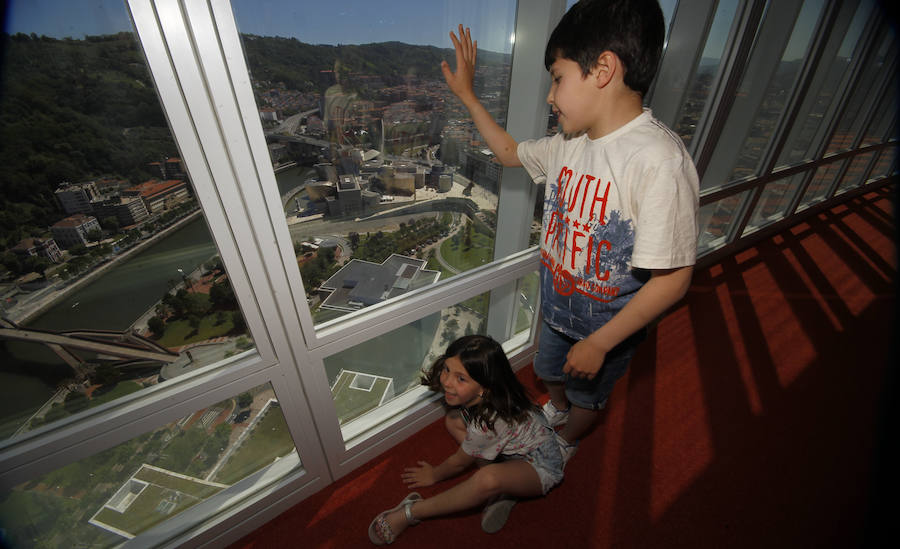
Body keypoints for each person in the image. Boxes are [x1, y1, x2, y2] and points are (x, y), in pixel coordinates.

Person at [440, 0, 699, 465]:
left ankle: (567, 441)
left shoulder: (658, 161)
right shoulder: (568, 145)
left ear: (603, 69)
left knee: (588, 397)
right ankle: (558, 409)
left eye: (557, 78)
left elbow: (674, 278)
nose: (549, 96)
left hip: (607, 332)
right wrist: (468, 96)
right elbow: (508, 153)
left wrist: (600, 342)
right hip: (559, 314)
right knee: (547, 371)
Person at [368, 335, 563, 545]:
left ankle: (411, 512)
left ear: (484, 388)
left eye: (461, 378)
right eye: (447, 369)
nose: (447, 382)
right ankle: (503, 491)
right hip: (510, 452)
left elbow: (459, 462)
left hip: (540, 466)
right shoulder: (489, 396)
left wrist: (434, 475)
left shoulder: (488, 422)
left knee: (487, 479)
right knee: (453, 421)